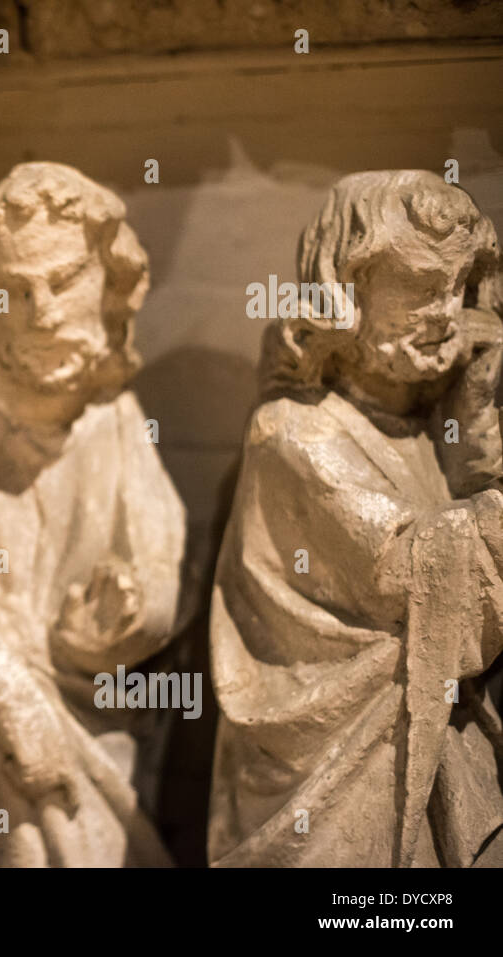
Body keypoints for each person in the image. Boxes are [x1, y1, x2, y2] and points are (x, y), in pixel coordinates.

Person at [0, 162, 186, 866]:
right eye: (14, 291)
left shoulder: (119, 425)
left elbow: (161, 562)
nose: (43, 312)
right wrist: (13, 699)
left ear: (108, 284)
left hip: (93, 712)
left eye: (65, 280)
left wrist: (129, 614)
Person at [209, 170, 503, 867]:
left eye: (459, 288)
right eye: (421, 285)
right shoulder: (293, 433)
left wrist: (476, 427)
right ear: (346, 287)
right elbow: (413, 575)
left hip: (436, 750)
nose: (446, 313)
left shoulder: (428, 429)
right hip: (342, 783)